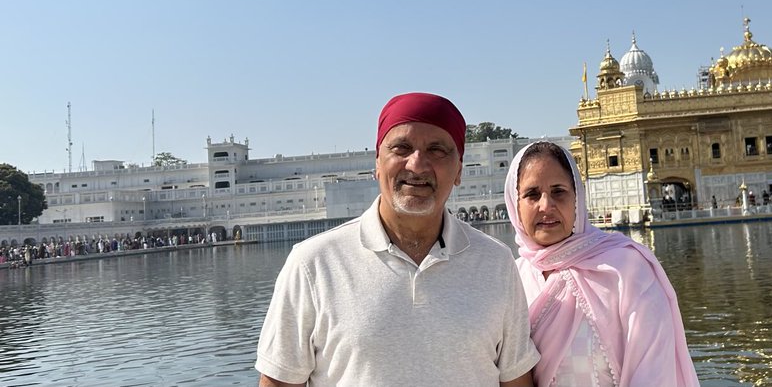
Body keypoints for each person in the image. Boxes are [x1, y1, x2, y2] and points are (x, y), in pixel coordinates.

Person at [256, 92, 539, 387]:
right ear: (377, 163)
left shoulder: (495, 263)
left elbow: (516, 380)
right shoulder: (313, 265)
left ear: (458, 171)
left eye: (437, 150)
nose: (417, 165)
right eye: (402, 147)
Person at [503, 141, 700, 387]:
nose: (546, 205)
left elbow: (654, 372)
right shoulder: (512, 278)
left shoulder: (626, 270)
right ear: (515, 204)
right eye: (532, 194)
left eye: (558, 191)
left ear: (577, 198)